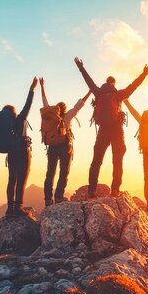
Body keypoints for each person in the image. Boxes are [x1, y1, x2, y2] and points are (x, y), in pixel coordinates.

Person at [74, 57, 148, 198]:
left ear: (106, 82)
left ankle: (91, 190)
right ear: (114, 83)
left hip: (103, 130)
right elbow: (134, 85)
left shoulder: (98, 92)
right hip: (117, 130)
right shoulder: (118, 94)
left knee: (96, 161)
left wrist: (80, 67)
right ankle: (115, 190)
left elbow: (88, 80)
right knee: (117, 161)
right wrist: (145, 73)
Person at [39, 77, 91, 205]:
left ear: (56, 109)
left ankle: (47, 199)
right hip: (65, 146)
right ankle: (59, 197)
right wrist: (90, 92)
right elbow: (80, 105)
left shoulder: (52, 116)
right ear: (65, 109)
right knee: (64, 172)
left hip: (52, 146)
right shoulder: (68, 116)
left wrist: (42, 86)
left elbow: (45, 102)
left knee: (50, 172)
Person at [4, 77, 37, 216]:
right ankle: (18, 208)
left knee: (12, 180)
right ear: (14, 113)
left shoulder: (7, 124)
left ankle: (9, 208)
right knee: (22, 179)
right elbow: (28, 104)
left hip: (11, 153)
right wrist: (32, 89)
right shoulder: (20, 119)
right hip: (23, 152)